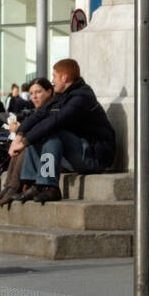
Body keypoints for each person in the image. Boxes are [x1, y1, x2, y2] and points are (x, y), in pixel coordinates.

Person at [9, 59, 116, 203]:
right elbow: (38, 115)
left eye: (54, 76)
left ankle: (49, 186)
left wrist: (24, 142)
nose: (52, 81)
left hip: (94, 158)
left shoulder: (82, 97)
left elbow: (56, 120)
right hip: (76, 155)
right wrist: (19, 136)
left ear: (64, 77)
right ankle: (36, 184)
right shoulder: (61, 96)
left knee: (52, 131)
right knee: (39, 133)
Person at [0, 77, 52, 206]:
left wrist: (20, 134)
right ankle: (8, 187)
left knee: (25, 143)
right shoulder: (39, 110)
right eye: (32, 94)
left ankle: (13, 187)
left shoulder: (53, 108)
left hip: (53, 158)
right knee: (22, 142)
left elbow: (41, 131)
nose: (34, 97)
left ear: (49, 92)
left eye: (38, 92)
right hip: (43, 155)